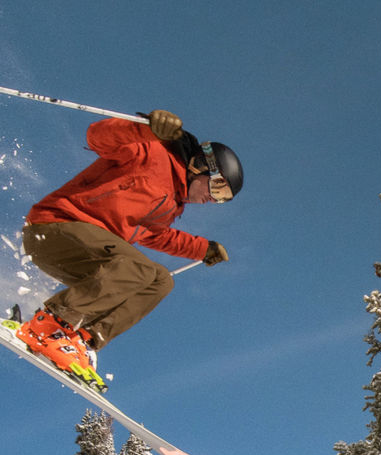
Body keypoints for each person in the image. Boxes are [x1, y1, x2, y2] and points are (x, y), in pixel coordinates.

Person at [14, 109, 241, 390]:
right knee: (140, 268)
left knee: (160, 281)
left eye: (222, 199)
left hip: (88, 254)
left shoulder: (172, 204)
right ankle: (49, 325)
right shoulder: (152, 152)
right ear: (201, 165)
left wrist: (202, 249)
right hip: (54, 228)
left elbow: (158, 237)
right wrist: (147, 130)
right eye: (218, 188)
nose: (213, 199)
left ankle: (82, 339)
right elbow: (98, 138)